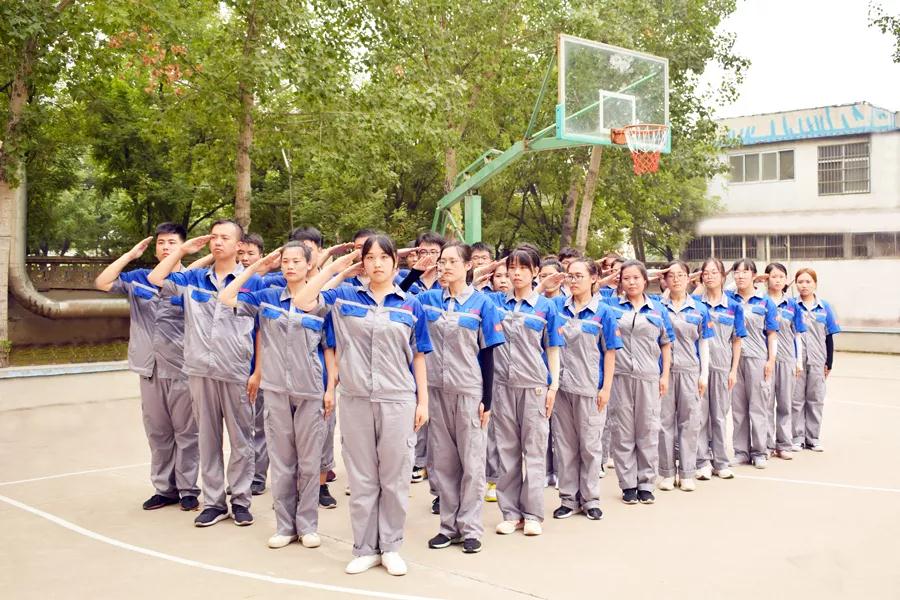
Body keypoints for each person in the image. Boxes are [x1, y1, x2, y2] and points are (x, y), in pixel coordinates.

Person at [292, 235, 431, 576]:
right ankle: (366, 548)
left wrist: (423, 401)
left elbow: (419, 355)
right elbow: (303, 300)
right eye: (370, 257)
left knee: (395, 477)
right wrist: (338, 268)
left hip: (398, 399)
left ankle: (391, 546)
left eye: (384, 257)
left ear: (395, 263)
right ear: (363, 263)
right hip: (356, 399)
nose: (377, 263)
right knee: (363, 477)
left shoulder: (411, 304)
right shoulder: (344, 297)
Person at [218, 242, 337, 549]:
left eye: (297, 261)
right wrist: (255, 268)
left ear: (309, 265)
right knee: (282, 461)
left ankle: (307, 526)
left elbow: (330, 349)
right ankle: (285, 526)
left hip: (310, 390)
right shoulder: (267, 297)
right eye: (285, 261)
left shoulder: (320, 302)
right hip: (275, 390)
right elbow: (226, 297)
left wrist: (330, 389)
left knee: (309, 462)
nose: (290, 266)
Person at [148, 219, 266, 527]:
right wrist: (182, 251)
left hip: (236, 371)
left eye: (225, 237)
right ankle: (214, 502)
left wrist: (257, 371)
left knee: (241, 440)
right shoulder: (194, 278)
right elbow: (156, 277)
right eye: (214, 237)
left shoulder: (253, 282)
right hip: (200, 370)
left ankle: (240, 500)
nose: (218, 242)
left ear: (239, 245)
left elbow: (262, 330)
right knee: (208, 440)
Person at [94, 222, 200, 511]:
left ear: (184, 247)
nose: (165, 247)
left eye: (172, 242)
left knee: (186, 432)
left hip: (182, 368)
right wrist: (130, 255)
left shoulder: (191, 281)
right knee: (158, 432)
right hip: (149, 368)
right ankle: (164, 489)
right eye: (161, 243)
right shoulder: (139, 278)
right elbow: (102, 282)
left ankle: (188, 489)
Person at [418, 241, 505, 554]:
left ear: (468, 266)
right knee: (443, 462)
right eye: (442, 261)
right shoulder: (428, 300)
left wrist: (488, 400)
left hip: (469, 391)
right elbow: (399, 294)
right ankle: (448, 527)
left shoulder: (483, 304)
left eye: (453, 261)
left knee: (472, 462)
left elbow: (488, 354)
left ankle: (470, 528)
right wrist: (417, 271)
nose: (445, 266)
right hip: (436, 390)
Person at [486, 245, 564, 537]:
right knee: (506, 451)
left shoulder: (546, 307)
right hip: (502, 386)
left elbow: (553, 348)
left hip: (534, 387)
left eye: (522, 268)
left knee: (533, 451)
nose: (516, 274)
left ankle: (532, 514)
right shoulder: (496, 303)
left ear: (535, 272)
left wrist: (553, 386)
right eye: (512, 268)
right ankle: (510, 513)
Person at [552, 258, 621, 520]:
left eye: (579, 275)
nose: (573, 280)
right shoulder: (558, 307)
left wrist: (606, 388)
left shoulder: (604, 312)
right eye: (570, 276)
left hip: (591, 389)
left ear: (594, 278)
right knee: (565, 446)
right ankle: (568, 499)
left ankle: (590, 499)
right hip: (562, 388)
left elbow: (610, 351)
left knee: (590, 447)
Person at [604, 260, 674, 505]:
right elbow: (589, 291)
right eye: (626, 278)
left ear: (645, 280)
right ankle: (628, 485)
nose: (631, 282)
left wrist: (664, 375)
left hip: (648, 377)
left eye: (636, 277)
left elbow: (666, 344)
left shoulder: (658, 310)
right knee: (622, 431)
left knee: (648, 430)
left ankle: (646, 483)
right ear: (620, 281)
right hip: (620, 377)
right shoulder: (610, 307)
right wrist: (608, 278)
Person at [656, 261, 714, 493]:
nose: (676, 279)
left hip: (690, 371)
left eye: (681, 275)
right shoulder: (657, 307)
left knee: (690, 422)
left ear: (689, 279)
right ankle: (667, 473)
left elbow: (704, 343)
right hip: (664, 372)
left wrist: (704, 374)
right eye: (671, 275)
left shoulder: (699, 309)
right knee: (664, 422)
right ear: (664, 279)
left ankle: (688, 472)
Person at [694, 258, 746, 480]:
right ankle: (702, 461)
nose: (710, 276)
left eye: (714, 272)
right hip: (698, 369)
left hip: (723, 367)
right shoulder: (695, 303)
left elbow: (737, 340)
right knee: (700, 416)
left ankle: (720, 461)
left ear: (723, 276)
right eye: (706, 273)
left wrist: (733, 370)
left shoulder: (734, 307)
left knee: (719, 416)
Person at [728, 259, 779, 470]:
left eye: (745, 272)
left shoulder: (765, 302)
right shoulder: (729, 298)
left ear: (754, 275)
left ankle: (759, 451)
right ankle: (741, 451)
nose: (740, 276)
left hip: (757, 358)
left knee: (758, 407)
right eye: (737, 272)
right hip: (734, 360)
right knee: (738, 407)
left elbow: (772, 334)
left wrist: (771, 360)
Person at [792, 268, 841, 452]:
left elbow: (829, 336)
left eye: (808, 282)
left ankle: (813, 438)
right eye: (800, 282)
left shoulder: (824, 307)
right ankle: (797, 438)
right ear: (795, 284)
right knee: (796, 399)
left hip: (818, 360)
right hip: (796, 361)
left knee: (816, 399)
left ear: (815, 284)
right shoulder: (791, 305)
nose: (804, 285)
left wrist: (829, 362)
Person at [764, 262, 807, 460]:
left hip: (787, 358)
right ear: (766, 279)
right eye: (773, 276)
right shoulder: (760, 302)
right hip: (765, 359)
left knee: (785, 403)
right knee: (765, 403)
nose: (778, 280)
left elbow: (798, 334)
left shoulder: (792, 305)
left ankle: (784, 444)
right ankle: (766, 444)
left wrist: (798, 361)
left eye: (781, 276)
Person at [238, 233, 269, 496]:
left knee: (259, 426)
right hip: (233, 364)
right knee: (240, 428)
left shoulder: (260, 284)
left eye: (251, 254)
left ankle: (258, 475)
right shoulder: (230, 281)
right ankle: (241, 476)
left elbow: (261, 330)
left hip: (255, 365)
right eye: (242, 253)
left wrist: (258, 371)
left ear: (261, 256)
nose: (246, 258)